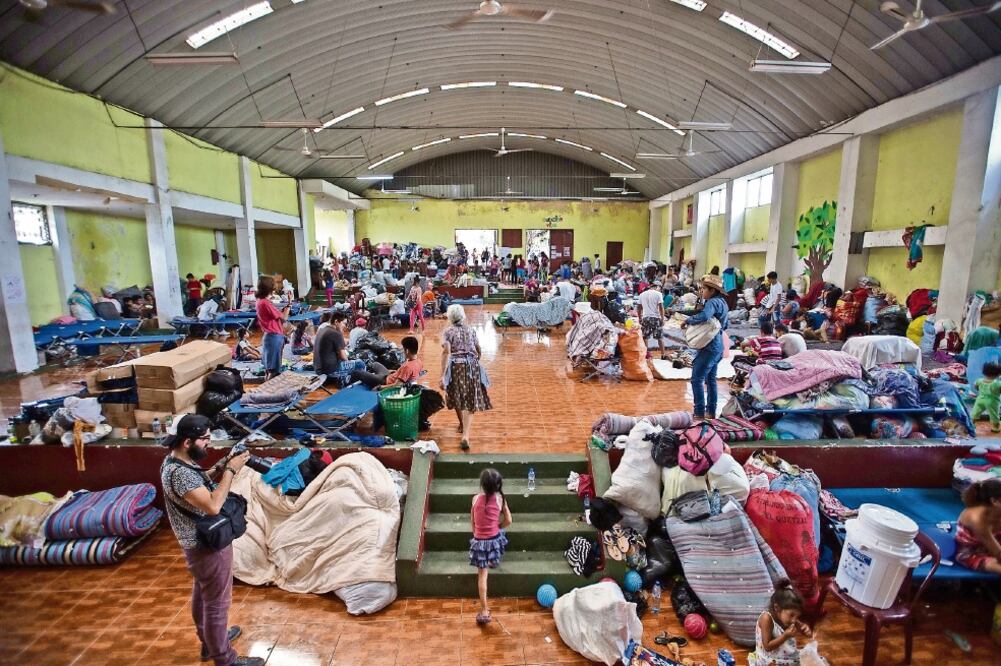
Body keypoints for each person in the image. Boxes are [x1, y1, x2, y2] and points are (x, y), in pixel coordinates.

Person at [160, 415, 263, 666]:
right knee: (217, 603)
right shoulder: (180, 474)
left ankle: (209, 641)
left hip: (195, 544)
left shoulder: (172, 462)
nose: (209, 444)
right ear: (187, 442)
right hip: (206, 544)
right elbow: (214, 505)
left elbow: (197, 482)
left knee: (203, 592)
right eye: (205, 439)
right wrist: (230, 470)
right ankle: (224, 658)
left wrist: (220, 465)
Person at [441, 304, 492, 451]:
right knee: (469, 399)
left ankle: (462, 424)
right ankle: (466, 435)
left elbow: (446, 352)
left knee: (456, 396)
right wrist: (477, 360)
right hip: (472, 366)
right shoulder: (471, 330)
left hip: (456, 366)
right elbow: (478, 348)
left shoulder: (448, 332)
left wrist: (442, 375)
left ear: (450, 317)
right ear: (463, 316)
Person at [680, 274, 729, 420]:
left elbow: (705, 316)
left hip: (709, 346)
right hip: (719, 345)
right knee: (711, 379)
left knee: (696, 379)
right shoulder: (723, 303)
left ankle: (699, 412)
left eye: (704, 289)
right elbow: (725, 325)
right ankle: (711, 412)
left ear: (712, 291)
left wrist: (688, 320)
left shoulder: (712, 303)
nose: (701, 292)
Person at [469, 467, 512, 626]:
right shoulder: (500, 499)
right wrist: (498, 526)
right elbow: (509, 521)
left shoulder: (475, 499)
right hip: (494, 541)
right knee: (500, 535)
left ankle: (485, 610)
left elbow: (472, 523)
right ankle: (494, 558)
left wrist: (477, 536)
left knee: (482, 576)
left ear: (482, 484)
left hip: (479, 542)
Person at [755, 580, 812, 666]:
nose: (794, 620)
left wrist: (805, 629)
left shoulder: (788, 617)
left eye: (797, 616)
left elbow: (802, 627)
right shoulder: (766, 619)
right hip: (768, 659)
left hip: (783, 655)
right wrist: (785, 635)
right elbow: (767, 647)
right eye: (791, 615)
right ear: (777, 607)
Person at [956, 478, 1001, 573]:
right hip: (972, 552)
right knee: (995, 565)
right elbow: (998, 553)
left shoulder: (997, 511)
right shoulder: (977, 519)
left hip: (995, 547)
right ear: (994, 501)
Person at [352, 335, 424, 389]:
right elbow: (409, 375)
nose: (403, 351)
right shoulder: (419, 361)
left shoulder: (408, 367)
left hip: (383, 381)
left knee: (357, 372)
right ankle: (371, 375)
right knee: (375, 364)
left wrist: (381, 387)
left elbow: (397, 385)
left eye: (403, 349)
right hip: (390, 376)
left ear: (407, 351)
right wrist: (396, 372)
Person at [314, 311, 366, 384]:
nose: (345, 326)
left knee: (349, 362)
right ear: (336, 322)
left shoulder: (322, 329)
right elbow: (343, 357)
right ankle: (352, 382)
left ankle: (343, 378)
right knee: (360, 363)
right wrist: (349, 362)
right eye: (343, 323)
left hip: (318, 369)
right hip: (330, 370)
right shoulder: (336, 333)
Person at [254, 276, 289, 380]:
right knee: (273, 371)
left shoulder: (260, 301)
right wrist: (288, 308)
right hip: (273, 336)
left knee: (269, 368)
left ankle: (267, 391)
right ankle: (269, 392)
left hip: (270, 336)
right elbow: (283, 318)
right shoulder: (265, 302)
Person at [637, 283, 668, 361]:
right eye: (659, 287)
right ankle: (663, 354)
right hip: (656, 318)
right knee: (659, 338)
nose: (659, 289)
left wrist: (640, 318)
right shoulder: (658, 294)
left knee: (645, 337)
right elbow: (661, 307)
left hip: (645, 318)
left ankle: (645, 355)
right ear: (655, 287)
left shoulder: (642, 294)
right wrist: (662, 318)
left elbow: (639, 308)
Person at [971, 362, 1001, 433]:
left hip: (980, 399)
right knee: (994, 415)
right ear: (998, 374)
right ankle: (995, 428)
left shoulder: (979, 380)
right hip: (992, 401)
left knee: (975, 413)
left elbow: (975, 386)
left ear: (983, 372)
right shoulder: (997, 384)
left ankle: (971, 424)